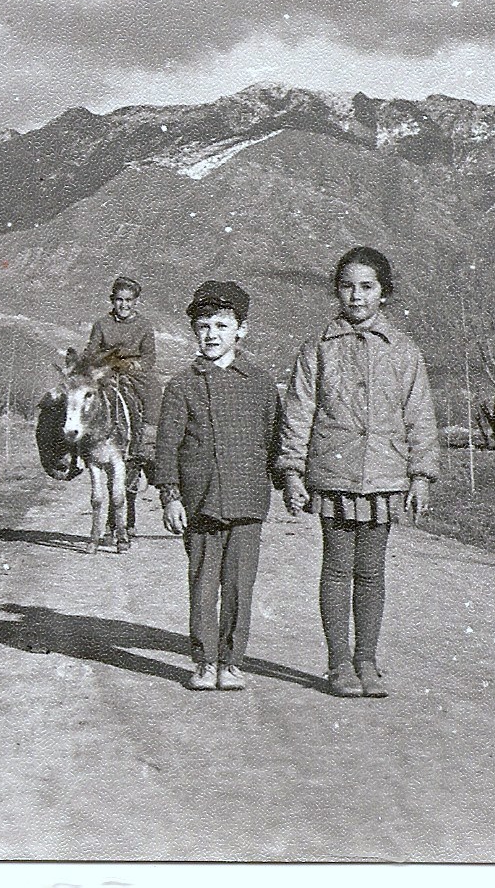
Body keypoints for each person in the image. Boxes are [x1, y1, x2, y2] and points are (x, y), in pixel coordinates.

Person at [278, 247, 440, 698]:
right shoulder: (317, 350)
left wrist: (421, 475)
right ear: (337, 290)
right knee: (336, 569)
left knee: (371, 572)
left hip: (386, 475)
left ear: (384, 294)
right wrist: (292, 471)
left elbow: (420, 415)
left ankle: (367, 660)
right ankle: (338, 664)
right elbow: (298, 412)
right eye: (348, 285)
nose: (357, 295)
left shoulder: (404, 351)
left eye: (367, 286)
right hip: (334, 474)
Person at [155, 281, 283, 692]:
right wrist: (171, 496)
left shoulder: (261, 383)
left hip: (247, 500)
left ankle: (231, 662)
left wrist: (289, 484)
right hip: (201, 502)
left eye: (222, 326)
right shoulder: (182, 385)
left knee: (240, 587)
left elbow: (275, 439)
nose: (212, 334)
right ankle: (204, 661)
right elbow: (167, 445)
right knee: (203, 585)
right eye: (203, 326)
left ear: (241, 330)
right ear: (194, 331)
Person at [85, 276, 158, 465]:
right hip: (107, 369)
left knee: (153, 391)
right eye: (119, 299)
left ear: (135, 302)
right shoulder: (102, 324)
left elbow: (149, 356)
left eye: (128, 300)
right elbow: (91, 351)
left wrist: (135, 365)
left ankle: (147, 441)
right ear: (112, 300)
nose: (123, 305)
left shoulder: (144, 325)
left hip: (134, 372)